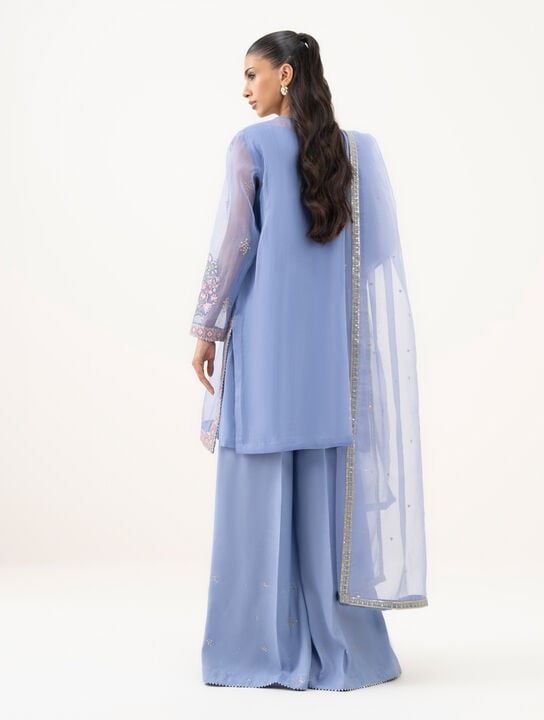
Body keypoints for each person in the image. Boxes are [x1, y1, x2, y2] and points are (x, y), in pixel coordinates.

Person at [190, 30, 428, 691]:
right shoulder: (357, 152)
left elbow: (235, 245)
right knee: (325, 490)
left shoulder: (251, 145)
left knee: (257, 482)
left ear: (286, 75)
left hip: (267, 350)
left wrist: (206, 328)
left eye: (252, 74)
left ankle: (258, 646)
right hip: (327, 359)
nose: (245, 89)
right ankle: (338, 642)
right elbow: (377, 254)